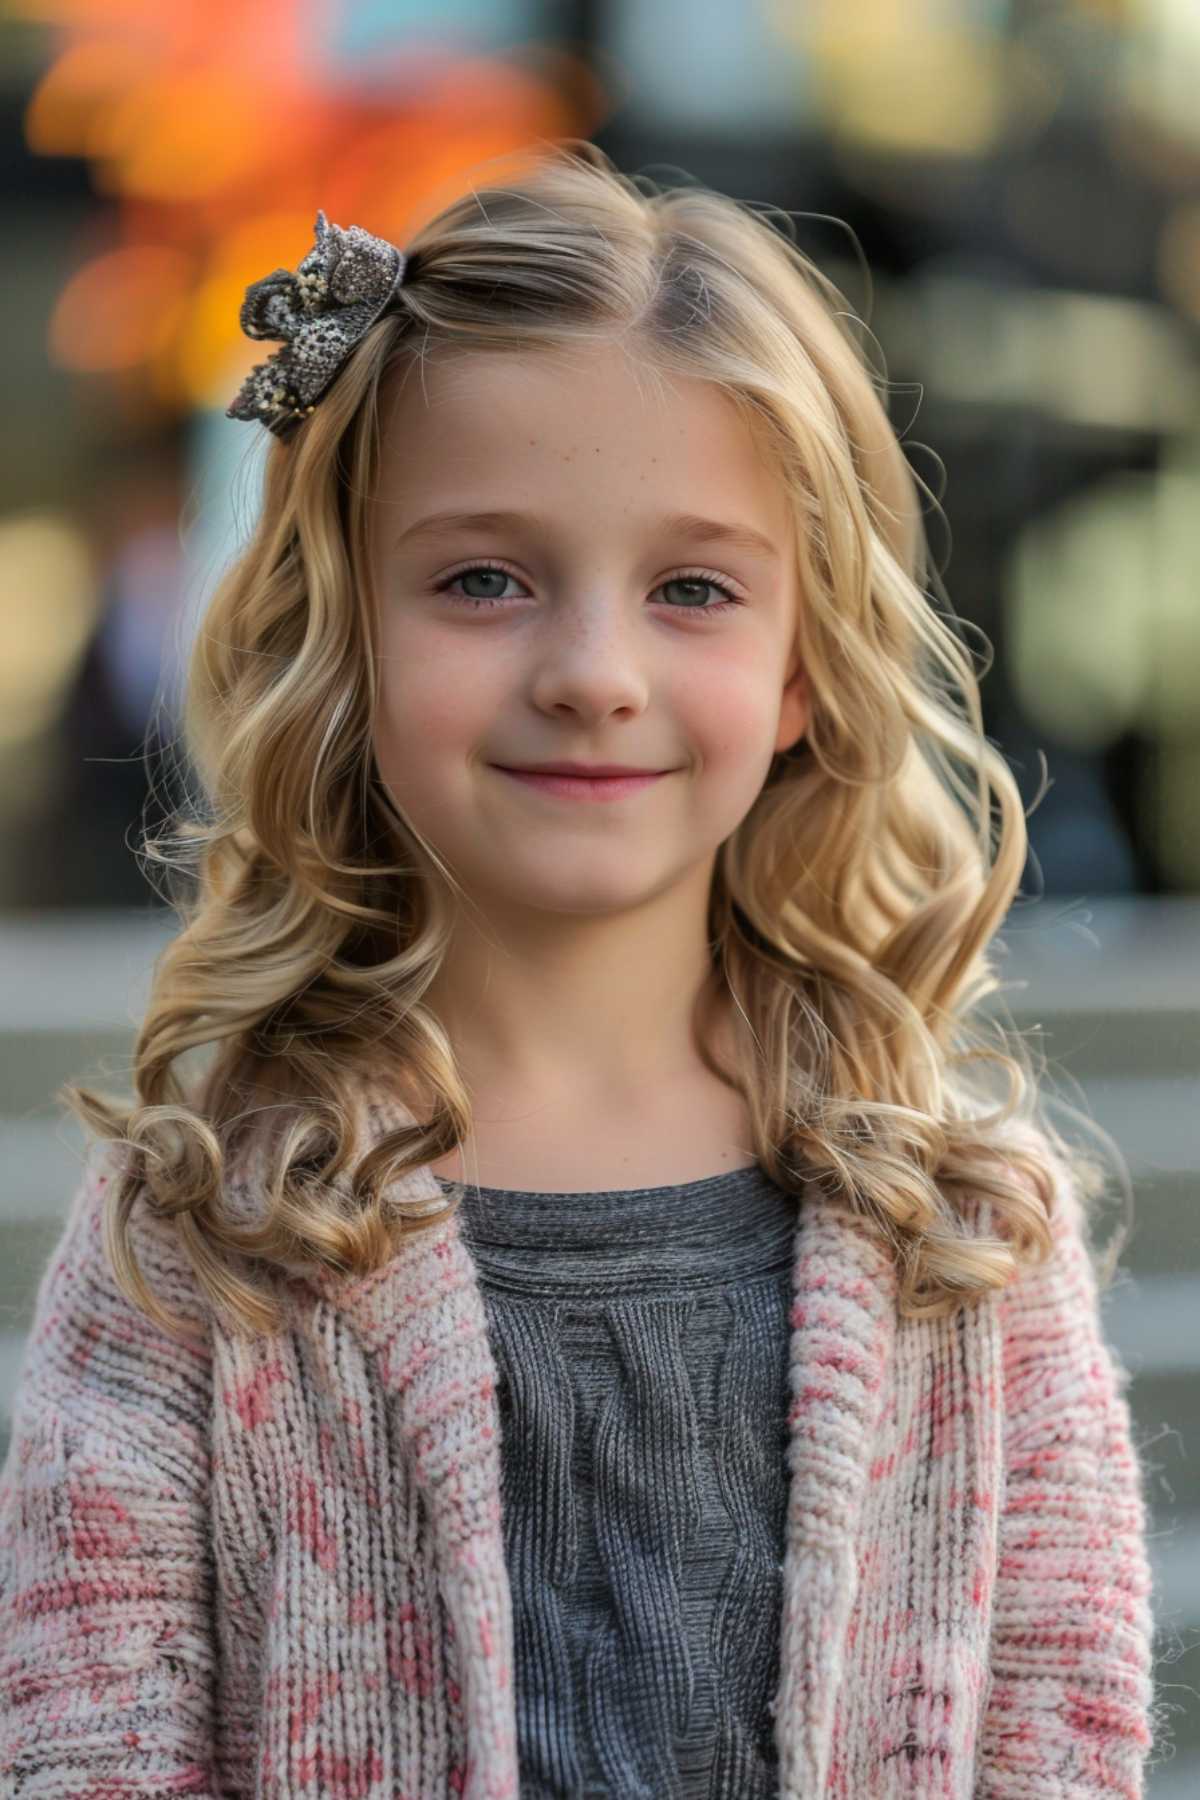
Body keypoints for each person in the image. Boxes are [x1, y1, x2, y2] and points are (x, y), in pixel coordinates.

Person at [0, 143, 1165, 1797]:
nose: (593, 673)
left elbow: (1062, 1750)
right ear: (345, 635)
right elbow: (91, 1750)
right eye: (484, 580)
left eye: (693, 588)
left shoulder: (966, 1238)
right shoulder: (202, 1234)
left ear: (806, 668)